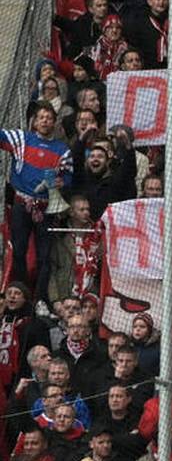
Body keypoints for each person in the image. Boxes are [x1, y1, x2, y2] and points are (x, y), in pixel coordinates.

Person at [2, 101, 73, 309]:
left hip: (46, 207)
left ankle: (40, 299)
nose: (45, 121)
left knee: (44, 256)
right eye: (42, 117)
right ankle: (21, 293)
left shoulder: (63, 150)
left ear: (54, 122)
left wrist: (61, 182)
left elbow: (68, 178)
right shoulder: (21, 139)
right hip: (21, 204)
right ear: (34, 121)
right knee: (18, 250)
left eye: (49, 118)